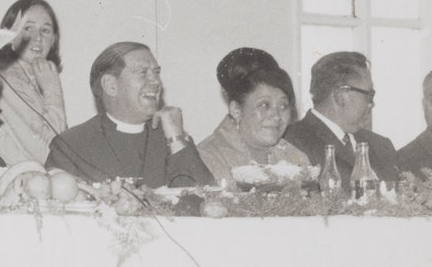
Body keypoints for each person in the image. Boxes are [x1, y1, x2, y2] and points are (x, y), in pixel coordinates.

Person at [46, 42, 213, 187]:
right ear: (110, 86)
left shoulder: (172, 137)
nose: (156, 81)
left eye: (156, 72)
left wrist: (176, 139)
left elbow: (206, 204)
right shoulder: (70, 146)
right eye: (142, 73)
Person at [197, 48, 310, 184]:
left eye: (283, 106)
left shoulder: (297, 158)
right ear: (236, 110)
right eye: (264, 105)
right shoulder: (207, 158)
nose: (276, 116)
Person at [284, 51, 399, 182]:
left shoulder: (381, 146)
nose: (372, 104)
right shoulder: (292, 144)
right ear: (340, 95)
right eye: (369, 95)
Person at [0, 0, 66, 165]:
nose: (37, 38)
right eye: (28, 28)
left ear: (54, 40)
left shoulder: (37, 78)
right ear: (9, 35)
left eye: (46, 30)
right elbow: (50, 155)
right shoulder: (6, 78)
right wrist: (53, 92)